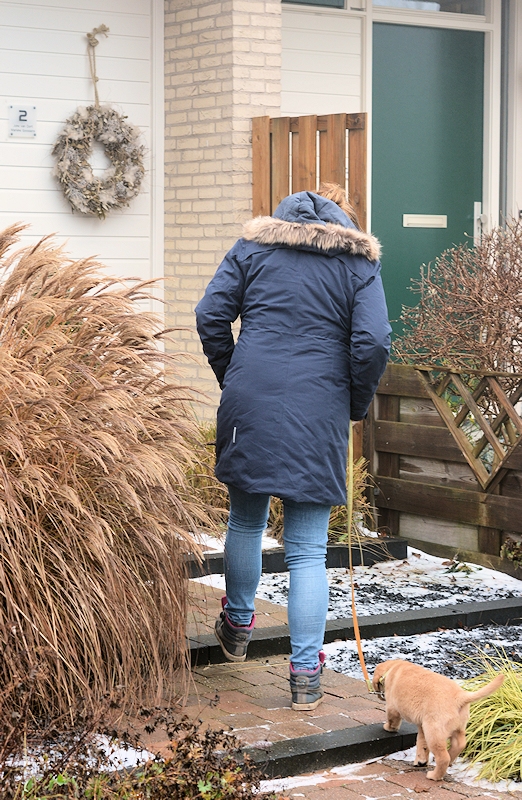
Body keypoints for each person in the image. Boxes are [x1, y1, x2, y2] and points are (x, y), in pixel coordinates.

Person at [195, 184, 391, 711]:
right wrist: (353, 402)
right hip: (319, 405)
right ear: (343, 220)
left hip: (250, 399)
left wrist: (233, 373)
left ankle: (237, 626)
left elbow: (210, 314)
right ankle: (305, 675)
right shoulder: (358, 263)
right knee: (308, 549)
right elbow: (373, 342)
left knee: (245, 521)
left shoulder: (253, 248)